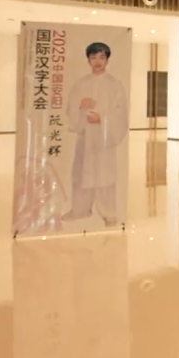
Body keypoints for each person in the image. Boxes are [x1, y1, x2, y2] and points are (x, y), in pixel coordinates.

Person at [62, 42, 129, 227]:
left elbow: (120, 112)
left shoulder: (114, 85)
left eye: (101, 57)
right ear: (88, 60)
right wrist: (80, 104)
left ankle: (109, 213)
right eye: (93, 57)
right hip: (85, 139)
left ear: (107, 60)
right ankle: (79, 209)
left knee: (105, 175)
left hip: (104, 139)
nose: (97, 61)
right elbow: (71, 107)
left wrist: (102, 118)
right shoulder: (81, 84)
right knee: (81, 174)